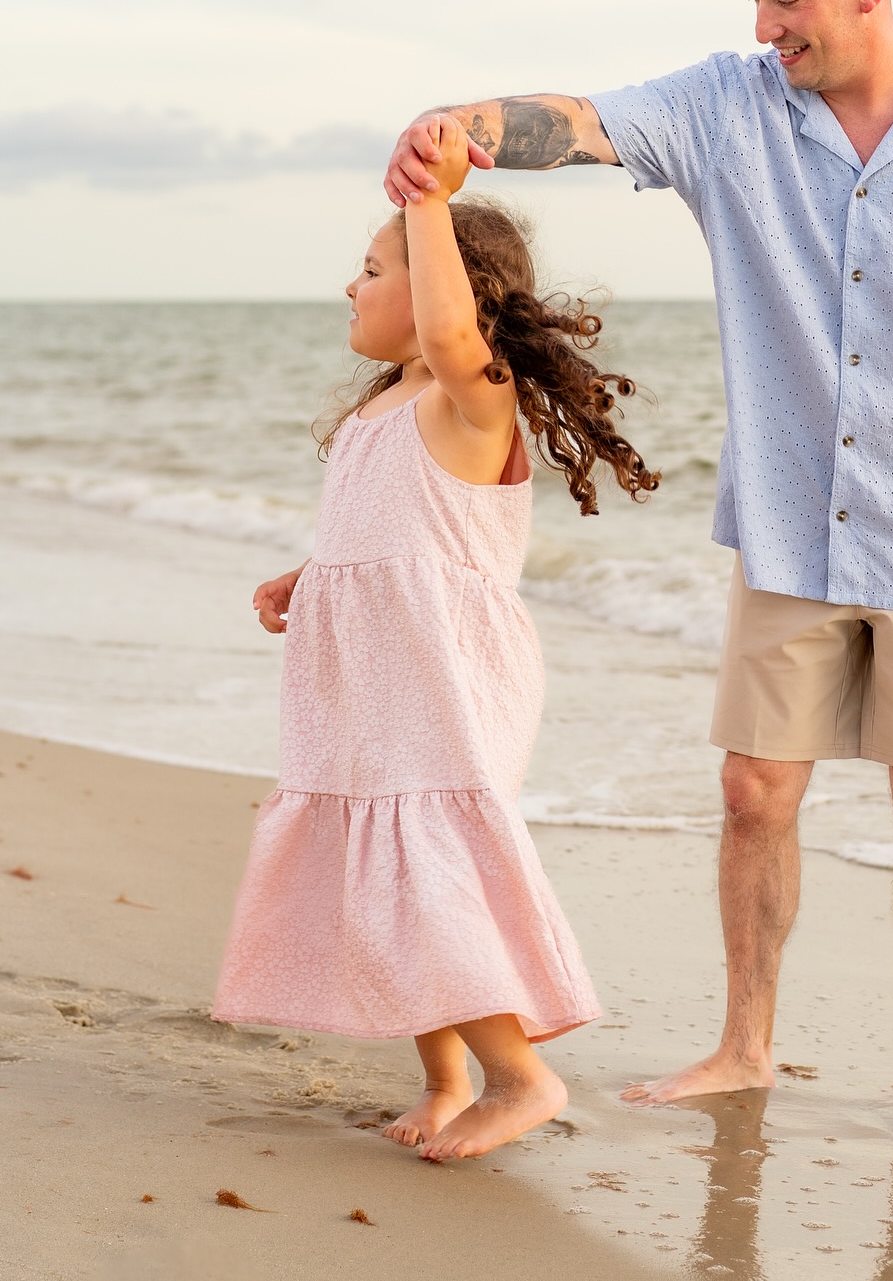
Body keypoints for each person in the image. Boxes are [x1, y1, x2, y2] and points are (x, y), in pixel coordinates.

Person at [383, 0, 893, 1143]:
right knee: (752, 792)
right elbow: (585, 123)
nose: (766, 26)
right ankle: (745, 1047)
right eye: (756, 0)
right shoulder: (729, 106)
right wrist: (460, 129)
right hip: (793, 519)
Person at [213, 120, 660, 1161]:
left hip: (445, 673)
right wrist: (311, 574)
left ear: (444, 293)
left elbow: (456, 338)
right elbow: (385, 533)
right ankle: (446, 1080)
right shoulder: (385, 408)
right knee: (389, 863)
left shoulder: (472, 396)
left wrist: (429, 201)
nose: (351, 286)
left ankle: (522, 1077)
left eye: (374, 271)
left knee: (425, 864)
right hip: (374, 675)